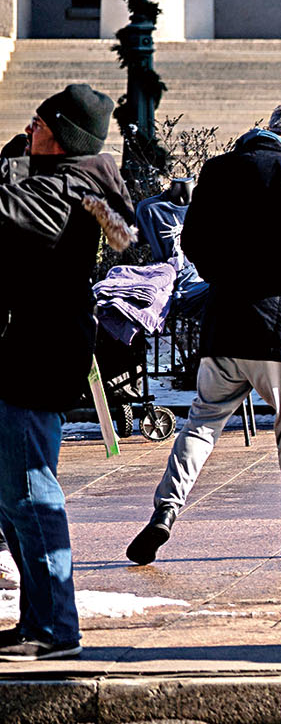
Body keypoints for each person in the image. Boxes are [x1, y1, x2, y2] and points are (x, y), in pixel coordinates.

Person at [128, 102, 281, 565]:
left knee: (202, 422)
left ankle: (165, 511)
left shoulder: (219, 169)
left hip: (225, 319)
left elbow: (193, 242)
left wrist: (225, 277)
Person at [0, 84, 133, 661]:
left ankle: (57, 627)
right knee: (12, 496)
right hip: (24, 349)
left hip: (40, 352)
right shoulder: (54, 176)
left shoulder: (69, 190)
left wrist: (12, 164)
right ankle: (38, 620)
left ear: (61, 134)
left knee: (31, 492)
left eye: (37, 122)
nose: (28, 128)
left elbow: (5, 211)